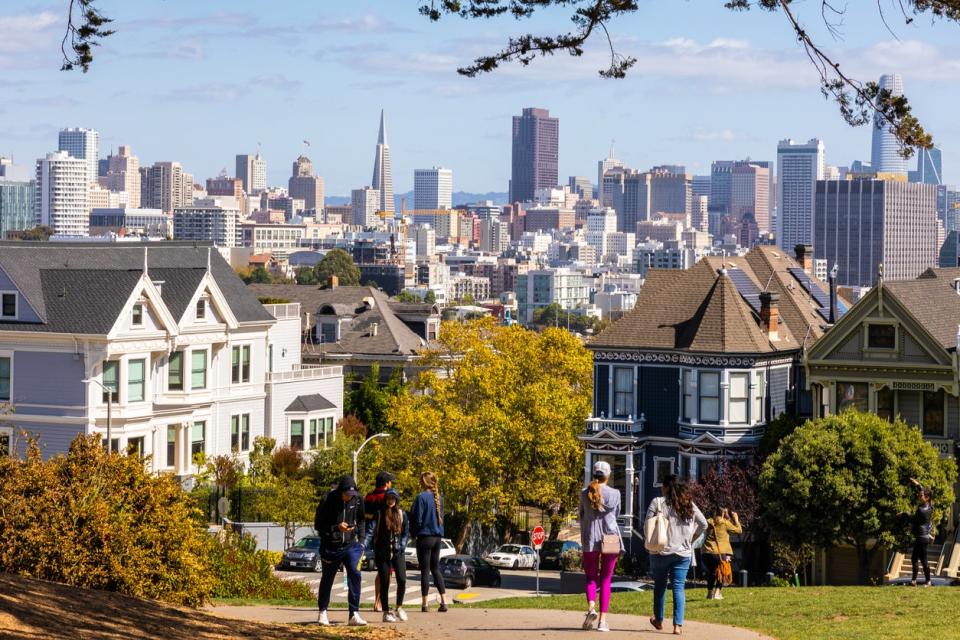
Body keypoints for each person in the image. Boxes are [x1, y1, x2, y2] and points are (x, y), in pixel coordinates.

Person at [646, 475, 707, 636]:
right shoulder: (689, 505)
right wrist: (692, 537)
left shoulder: (657, 503)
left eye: (662, 485)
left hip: (660, 551)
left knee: (660, 586)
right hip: (683, 553)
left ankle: (659, 620)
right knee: (678, 587)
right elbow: (704, 524)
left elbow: (647, 524)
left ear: (666, 487)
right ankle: (677, 625)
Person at [314, 475, 367, 627]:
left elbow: (362, 520)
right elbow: (318, 524)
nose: (348, 498)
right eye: (346, 495)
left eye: (351, 495)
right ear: (340, 492)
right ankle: (323, 611)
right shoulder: (328, 499)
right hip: (331, 545)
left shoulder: (357, 500)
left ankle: (354, 613)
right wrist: (336, 528)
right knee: (327, 578)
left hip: (350, 545)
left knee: (355, 574)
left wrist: (362, 541)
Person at [578, 460, 622, 633]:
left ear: (594, 474)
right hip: (610, 539)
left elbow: (581, 514)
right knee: (606, 579)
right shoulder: (616, 494)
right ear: (608, 475)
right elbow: (616, 514)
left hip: (590, 538)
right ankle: (603, 621)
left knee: (590, 577)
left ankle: (591, 608)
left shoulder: (584, 493)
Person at [410, 471, 448, 612]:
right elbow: (441, 518)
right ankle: (444, 601)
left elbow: (417, 518)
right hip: (437, 537)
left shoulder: (421, 498)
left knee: (425, 571)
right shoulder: (439, 498)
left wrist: (412, 534)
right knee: (436, 569)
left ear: (423, 482)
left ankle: (425, 604)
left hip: (424, 537)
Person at [373, 488, 409, 622]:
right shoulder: (380, 514)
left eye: (393, 498)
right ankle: (386, 612)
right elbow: (372, 531)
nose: (390, 501)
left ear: (396, 500)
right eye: (388, 498)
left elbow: (406, 532)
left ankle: (399, 607)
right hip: (382, 553)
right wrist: (365, 545)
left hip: (397, 552)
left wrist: (402, 545)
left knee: (402, 579)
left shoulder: (402, 514)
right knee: (385, 582)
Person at [364, 471, 394, 612]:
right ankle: (379, 602)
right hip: (384, 538)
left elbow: (365, 516)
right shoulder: (386, 497)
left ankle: (378, 601)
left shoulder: (369, 497)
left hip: (371, 537)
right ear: (386, 483)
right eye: (390, 481)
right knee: (385, 571)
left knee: (381, 570)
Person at [701, 507, 742, 600]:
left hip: (706, 552)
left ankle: (709, 594)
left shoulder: (708, 522)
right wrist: (736, 519)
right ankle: (717, 593)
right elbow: (739, 530)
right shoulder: (725, 523)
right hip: (719, 553)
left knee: (712, 572)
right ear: (723, 513)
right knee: (722, 572)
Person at [908, 477, 934, 586]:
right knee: (916, 558)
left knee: (922, 560)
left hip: (921, 537)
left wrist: (904, 515)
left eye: (921, 496)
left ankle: (927, 581)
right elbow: (923, 490)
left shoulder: (921, 510)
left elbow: (912, 520)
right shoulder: (929, 506)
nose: (919, 496)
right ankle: (915, 581)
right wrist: (917, 485)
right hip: (924, 536)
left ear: (927, 498)